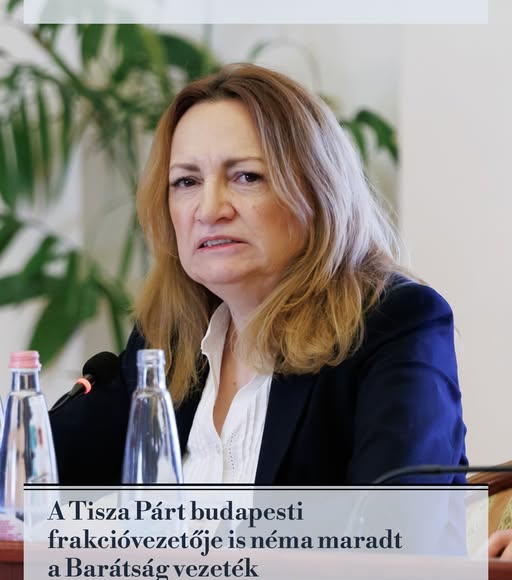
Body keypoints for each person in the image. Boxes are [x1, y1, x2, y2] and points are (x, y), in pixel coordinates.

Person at [50, 63, 467, 486]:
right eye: (186, 182)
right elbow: (35, 478)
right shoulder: (168, 343)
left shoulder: (394, 325)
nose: (209, 210)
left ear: (316, 191)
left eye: (246, 177)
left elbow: (395, 519)